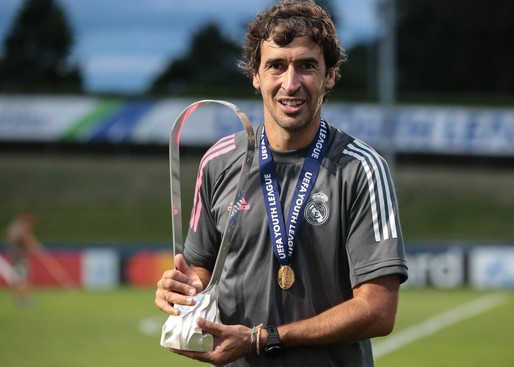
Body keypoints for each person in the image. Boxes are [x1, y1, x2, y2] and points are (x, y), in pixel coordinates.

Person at [155, 1, 408, 366]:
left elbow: (379, 310)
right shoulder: (219, 162)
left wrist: (264, 339)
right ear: (256, 75)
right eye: (276, 66)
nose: (291, 84)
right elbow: (198, 275)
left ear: (330, 76)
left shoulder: (361, 169)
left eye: (307, 66)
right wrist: (180, 291)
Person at [4, 211, 40, 306]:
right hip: (21, 257)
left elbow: (10, 238)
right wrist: (33, 246)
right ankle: (25, 298)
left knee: (17, 277)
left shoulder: (13, 227)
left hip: (15, 256)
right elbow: (24, 239)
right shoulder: (22, 229)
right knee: (24, 278)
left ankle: (15, 298)